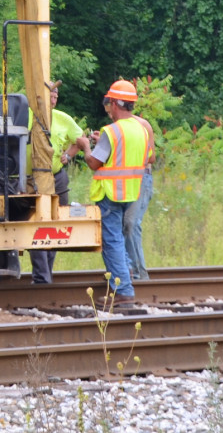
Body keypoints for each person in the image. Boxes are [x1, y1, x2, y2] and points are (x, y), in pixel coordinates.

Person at [75, 80, 151, 308]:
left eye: (109, 102)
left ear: (116, 104)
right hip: (131, 191)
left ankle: (123, 291)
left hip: (110, 193)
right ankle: (125, 275)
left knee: (112, 241)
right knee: (118, 239)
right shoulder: (141, 129)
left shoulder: (112, 131)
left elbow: (94, 162)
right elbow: (140, 157)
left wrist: (85, 146)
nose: (108, 107)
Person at [30, 80, 85, 284]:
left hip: (57, 177)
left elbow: (81, 140)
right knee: (36, 224)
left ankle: (47, 275)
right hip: (32, 179)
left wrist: (69, 155)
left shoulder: (63, 118)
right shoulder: (29, 115)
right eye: (50, 96)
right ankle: (41, 277)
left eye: (56, 96)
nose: (53, 100)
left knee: (55, 223)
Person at [124, 114, 155, 280]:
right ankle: (126, 271)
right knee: (120, 225)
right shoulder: (115, 128)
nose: (110, 115)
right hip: (123, 180)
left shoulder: (142, 125)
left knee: (131, 223)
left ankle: (139, 274)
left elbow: (151, 157)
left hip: (141, 178)